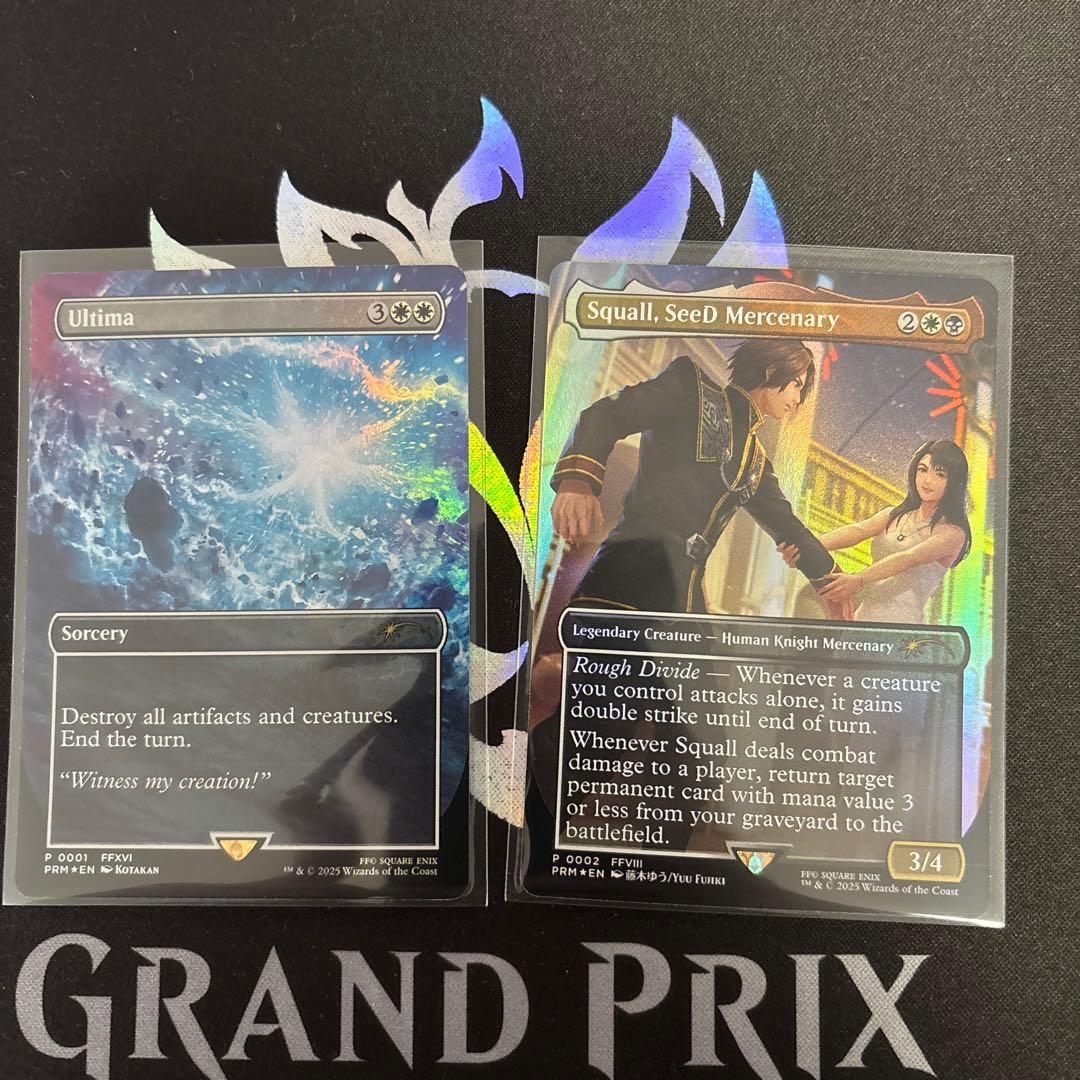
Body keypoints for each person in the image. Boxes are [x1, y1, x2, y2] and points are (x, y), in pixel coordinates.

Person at [550, 338, 842, 614]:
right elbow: (606, 414)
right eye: (796, 385)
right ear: (770, 371)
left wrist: (837, 586)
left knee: (699, 650)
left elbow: (789, 528)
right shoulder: (691, 389)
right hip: (629, 571)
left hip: (684, 592)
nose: (797, 399)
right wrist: (577, 483)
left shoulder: (755, 460)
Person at [778, 439, 971, 624]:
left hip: (902, 625)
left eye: (940, 474)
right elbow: (857, 531)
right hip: (863, 618)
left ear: (954, 482)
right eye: (923, 470)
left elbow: (908, 558)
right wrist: (805, 547)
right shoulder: (894, 515)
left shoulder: (953, 533)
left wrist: (858, 580)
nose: (927, 480)